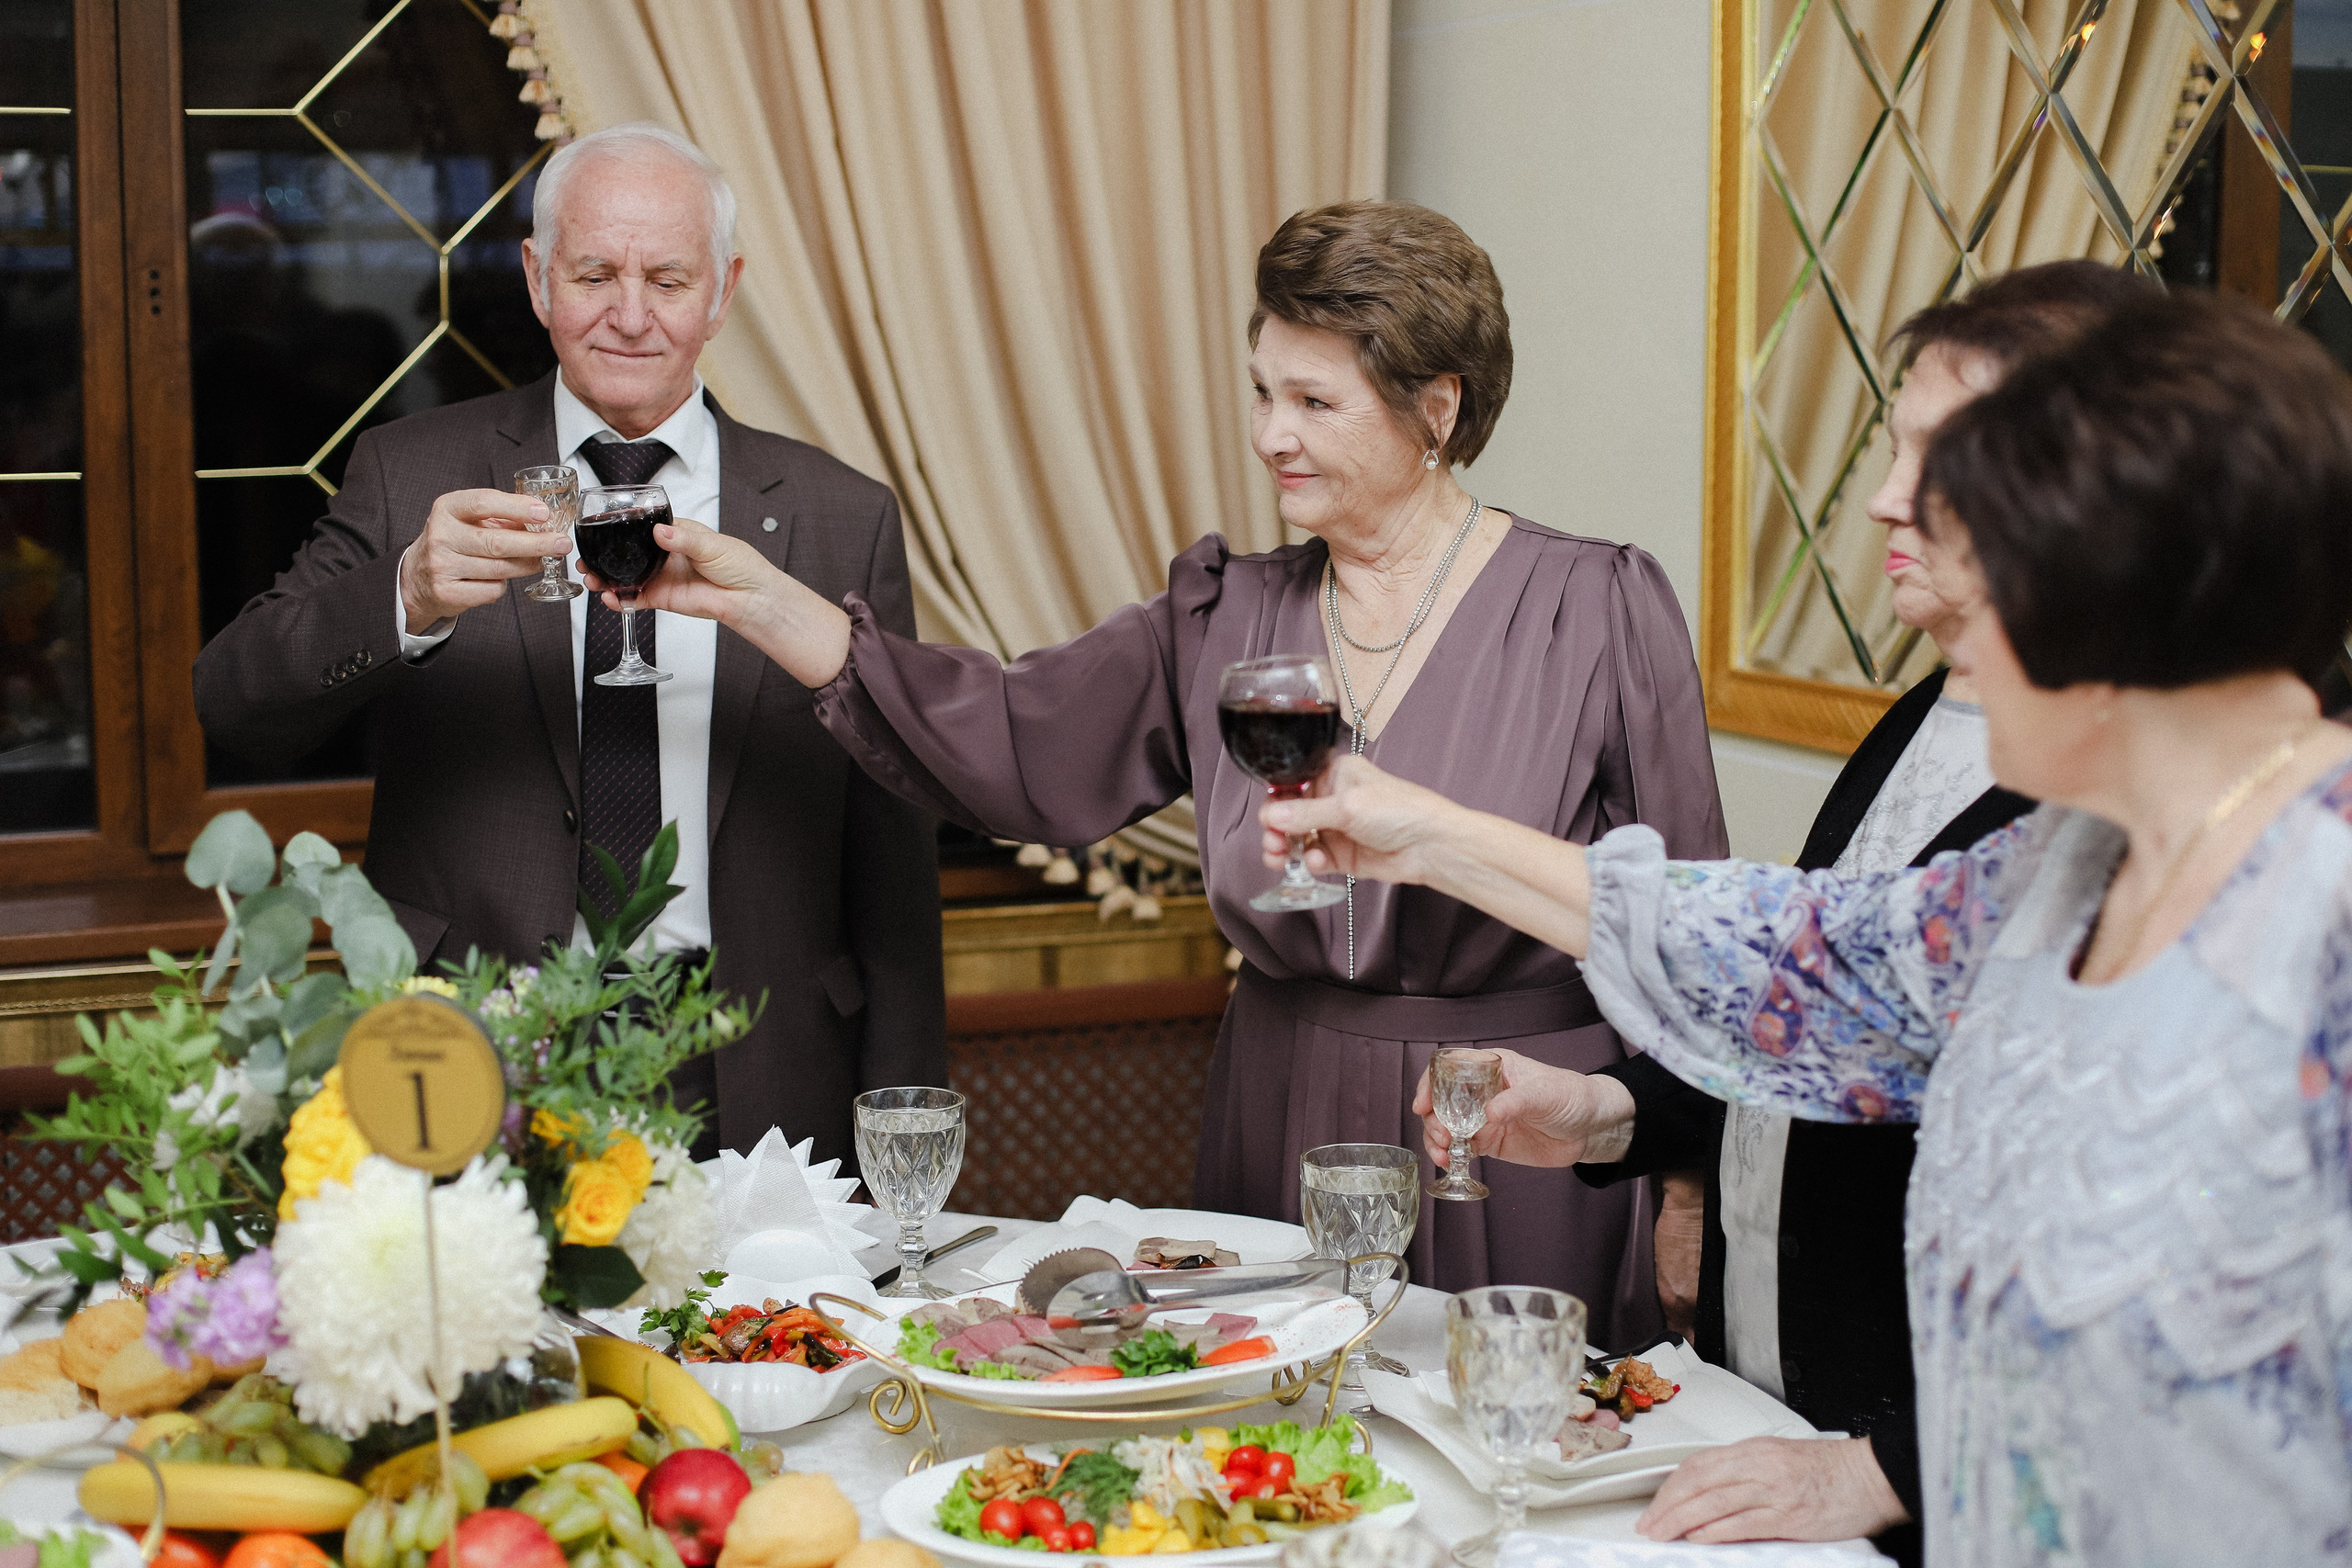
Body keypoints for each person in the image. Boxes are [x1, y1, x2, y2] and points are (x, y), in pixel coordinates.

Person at [1263, 288, 2352, 1563]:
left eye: (1971, 544)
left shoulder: (2322, 894)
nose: (1938, 604)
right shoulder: (2062, 863)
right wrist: (1417, 831)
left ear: (2114, 575)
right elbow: (1803, 956)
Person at [588, 199, 1728, 1337]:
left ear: (1435, 410)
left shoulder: (1597, 609)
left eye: (1314, 402)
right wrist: (765, 603)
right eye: (1262, 391)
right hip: (1279, 1116)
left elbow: (1690, 930)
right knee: (1284, 1468)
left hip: (1513, 1135)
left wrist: (1685, 1178)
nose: (1270, 434)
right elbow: (1007, 735)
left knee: (1518, 1460)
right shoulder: (1224, 612)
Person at [192, 124, 945, 1164]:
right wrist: (402, 596)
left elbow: (893, 856)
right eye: (595, 273)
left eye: (667, 279)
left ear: (721, 291)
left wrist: (908, 1128)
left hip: (751, 1054)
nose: (629, 315)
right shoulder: (411, 473)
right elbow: (232, 703)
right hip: (471, 1049)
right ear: (539, 278)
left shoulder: (835, 515)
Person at [1565, 262, 2151, 1563]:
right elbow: (1823, 989)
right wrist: (1626, 1117)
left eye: (1934, 456)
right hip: (1796, 1391)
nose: (1885, 496)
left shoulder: (2167, 810)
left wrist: (1896, 1458)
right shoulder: (1923, 715)